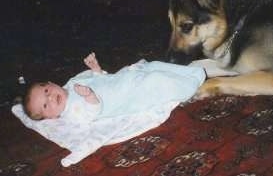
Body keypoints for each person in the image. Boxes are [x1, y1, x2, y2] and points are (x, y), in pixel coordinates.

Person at [24, 52, 206, 123]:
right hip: (127, 97)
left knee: (153, 65)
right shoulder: (72, 112)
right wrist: (90, 98)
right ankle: (190, 86)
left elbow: (101, 81)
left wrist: (96, 70)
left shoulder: (72, 83)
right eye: (45, 106)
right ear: (52, 116)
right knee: (155, 80)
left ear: (51, 83)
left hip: (122, 79)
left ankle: (193, 73)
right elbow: (92, 112)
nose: (49, 98)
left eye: (46, 91)